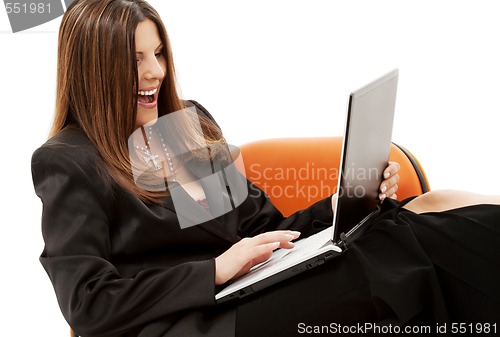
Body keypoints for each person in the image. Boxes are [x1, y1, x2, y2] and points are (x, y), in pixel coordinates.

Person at [31, 1, 500, 336]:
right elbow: (87, 302)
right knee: (383, 262)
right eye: (135, 60)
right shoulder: (70, 161)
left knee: (394, 229)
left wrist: (340, 204)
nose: (155, 72)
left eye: (159, 54)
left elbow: (264, 229)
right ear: (95, 70)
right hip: (194, 321)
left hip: (250, 291)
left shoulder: (183, 129)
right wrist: (214, 271)